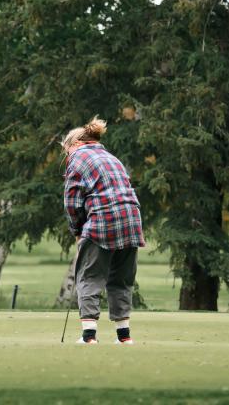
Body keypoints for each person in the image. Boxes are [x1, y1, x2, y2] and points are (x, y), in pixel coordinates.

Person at [62, 116, 145, 345]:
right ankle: (124, 336)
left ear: (75, 144)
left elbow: (72, 202)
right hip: (131, 220)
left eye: (66, 150)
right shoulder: (110, 156)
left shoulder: (78, 157)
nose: (67, 155)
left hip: (103, 220)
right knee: (121, 279)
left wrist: (77, 230)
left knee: (89, 276)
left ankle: (89, 337)